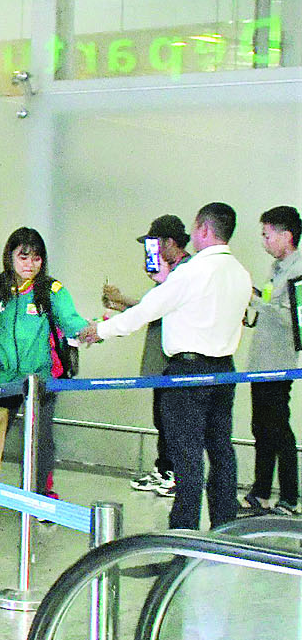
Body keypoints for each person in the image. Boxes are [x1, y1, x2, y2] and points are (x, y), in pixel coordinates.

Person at [80, 203, 254, 530]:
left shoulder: (192, 272)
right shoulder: (241, 274)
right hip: (224, 371)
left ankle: (184, 534)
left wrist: (100, 330)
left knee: (187, 458)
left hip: (188, 372)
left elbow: (147, 310)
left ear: (204, 229)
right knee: (221, 451)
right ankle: (225, 529)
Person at [0, 227, 89, 497]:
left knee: (41, 438)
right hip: (2, 376)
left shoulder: (51, 290)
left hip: (41, 378)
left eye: (36, 258)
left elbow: (71, 321)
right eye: (23, 257)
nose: (30, 264)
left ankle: (40, 494)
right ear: (10, 257)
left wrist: (96, 331)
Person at [103, 215, 192, 498]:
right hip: (161, 359)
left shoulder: (186, 273)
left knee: (175, 420)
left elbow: (161, 309)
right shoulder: (168, 275)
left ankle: (175, 474)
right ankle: (164, 469)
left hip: (177, 360)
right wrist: (120, 304)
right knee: (162, 417)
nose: (150, 252)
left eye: (154, 245)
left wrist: (121, 302)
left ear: (169, 242)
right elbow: (151, 309)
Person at [242, 205, 302, 515]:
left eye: (267, 235)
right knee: (261, 428)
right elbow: (270, 304)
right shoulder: (276, 269)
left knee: (279, 430)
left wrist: (254, 301)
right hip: (261, 361)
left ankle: (290, 498)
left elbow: (293, 320)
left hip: (279, 363)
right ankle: (261, 492)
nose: (263, 242)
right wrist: (254, 302)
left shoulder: (298, 271)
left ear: (286, 235)